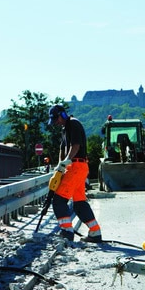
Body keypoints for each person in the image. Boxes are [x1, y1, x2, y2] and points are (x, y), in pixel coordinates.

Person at [47, 104, 103, 243]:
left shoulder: (73, 124)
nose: (56, 122)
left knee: (59, 200)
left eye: (57, 119)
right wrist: (61, 165)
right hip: (76, 167)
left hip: (76, 166)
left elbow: (75, 145)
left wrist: (67, 160)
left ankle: (67, 232)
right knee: (79, 203)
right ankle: (95, 232)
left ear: (63, 114)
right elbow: (63, 148)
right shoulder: (65, 128)